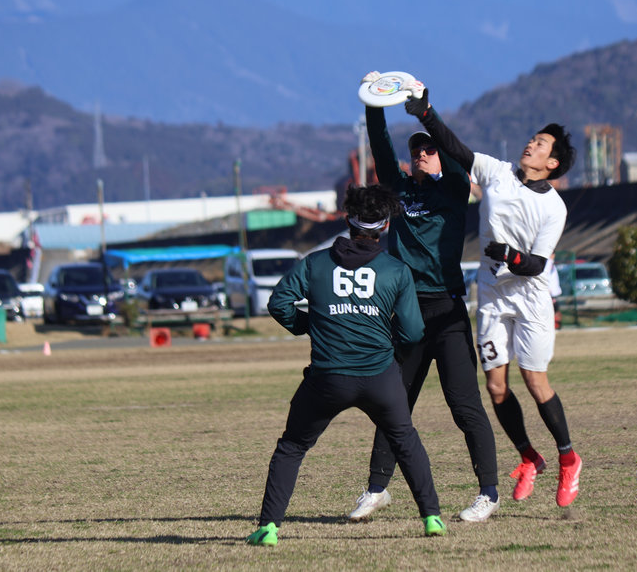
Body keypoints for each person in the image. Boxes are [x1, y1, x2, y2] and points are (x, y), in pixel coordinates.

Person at [403, 81, 583, 508]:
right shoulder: (498, 172)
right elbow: (456, 148)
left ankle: (568, 458)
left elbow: (536, 265)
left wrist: (510, 256)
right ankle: (529, 457)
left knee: (534, 380)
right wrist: (425, 112)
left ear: (552, 162)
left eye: (540, 144)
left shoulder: (554, 208)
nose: (530, 144)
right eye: (532, 138)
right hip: (493, 297)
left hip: (530, 297)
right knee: (496, 387)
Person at [246, 184, 447, 546]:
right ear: (385, 226)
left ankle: (269, 528)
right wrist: (391, 349)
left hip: (327, 378)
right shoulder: (396, 270)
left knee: (292, 447)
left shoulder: (315, 263)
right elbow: (414, 331)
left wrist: (310, 325)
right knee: (405, 441)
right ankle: (432, 518)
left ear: (347, 220)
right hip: (380, 377)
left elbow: (279, 303)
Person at [349, 72, 500, 523]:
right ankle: (376, 489)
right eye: (416, 150)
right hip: (407, 314)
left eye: (427, 150)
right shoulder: (400, 191)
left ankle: (488, 493)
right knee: (392, 404)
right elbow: (380, 147)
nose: (421, 154)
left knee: (464, 405)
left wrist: (423, 113)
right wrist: (374, 103)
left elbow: (453, 151)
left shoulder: (453, 187)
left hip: (447, 311)